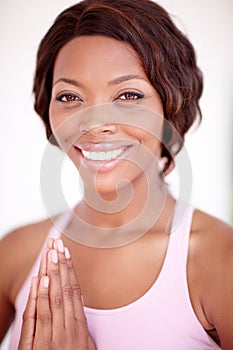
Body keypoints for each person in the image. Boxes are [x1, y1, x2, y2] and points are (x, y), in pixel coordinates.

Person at [0, 0, 232, 349]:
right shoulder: (17, 253)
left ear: (171, 106)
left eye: (128, 94)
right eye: (69, 96)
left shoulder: (219, 262)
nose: (93, 123)